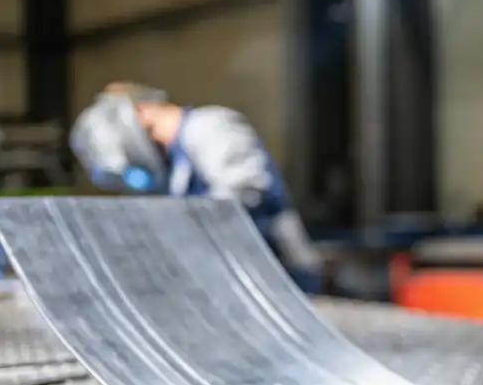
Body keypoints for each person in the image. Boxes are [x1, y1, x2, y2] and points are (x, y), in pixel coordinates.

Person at [70, 83, 323, 293]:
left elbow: (244, 193)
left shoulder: (208, 126)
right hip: (242, 280)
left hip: (281, 275)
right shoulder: (177, 162)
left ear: (143, 113)